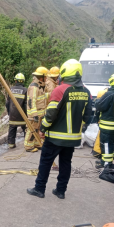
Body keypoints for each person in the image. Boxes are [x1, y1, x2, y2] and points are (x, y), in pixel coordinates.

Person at [27, 59, 92, 199]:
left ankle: (39, 188)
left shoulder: (60, 90)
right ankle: (61, 191)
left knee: (45, 162)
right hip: (73, 138)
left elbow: (50, 114)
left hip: (55, 137)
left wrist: (43, 128)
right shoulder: (86, 92)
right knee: (66, 164)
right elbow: (88, 116)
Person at [24, 67, 48, 152]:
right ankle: (28, 145)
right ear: (41, 77)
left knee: (37, 129)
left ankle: (37, 143)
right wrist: (34, 115)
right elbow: (31, 102)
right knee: (32, 130)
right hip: (34, 114)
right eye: (45, 77)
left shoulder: (40, 86)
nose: (46, 78)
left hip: (39, 113)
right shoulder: (34, 87)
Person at [6, 73, 27, 149]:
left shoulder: (10, 89)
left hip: (13, 115)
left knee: (12, 129)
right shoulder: (25, 90)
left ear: (15, 81)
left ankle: (11, 145)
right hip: (22, 116)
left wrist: (9, 113)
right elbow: (26, 104)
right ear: (23, 81)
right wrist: (27, 115)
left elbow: (7, 103)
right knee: (26, 130)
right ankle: (27, 144)